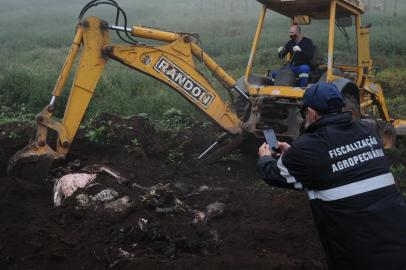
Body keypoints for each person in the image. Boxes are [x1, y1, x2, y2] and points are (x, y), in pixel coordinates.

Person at [257, 82, 406, 270]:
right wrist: (294, 154)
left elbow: (273, 174)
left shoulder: (308, 147)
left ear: (311, 113)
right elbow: (338, 165)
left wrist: (265, 158)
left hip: (360, 256)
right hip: (399, 239)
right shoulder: (367, 132)